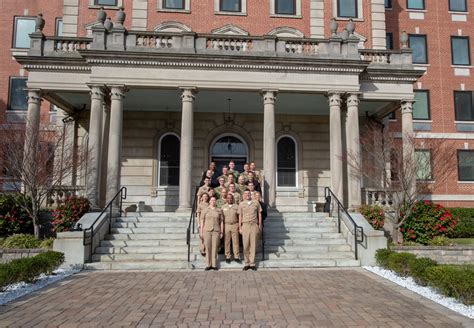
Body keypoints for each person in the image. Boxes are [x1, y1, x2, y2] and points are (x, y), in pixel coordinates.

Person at [238, 190, 262, 271]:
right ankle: (246, 263)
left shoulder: (256, 203)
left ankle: (252, 263)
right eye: (246, 194)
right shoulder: (241, 204)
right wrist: (240, 227)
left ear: (251, 195)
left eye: (249, 194)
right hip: (245, 225)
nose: (247, 195)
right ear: (244, 195)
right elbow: (240, 216)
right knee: (245, 245)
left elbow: (259, 213)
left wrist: (259, 224)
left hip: (254, 225)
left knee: (253, 245)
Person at [200, 196, 224, 271]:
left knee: (215, 247)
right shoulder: (205, 210)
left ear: (215, 202)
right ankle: (208, 264)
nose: (213, 201)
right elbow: (202, 221)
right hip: (207, 230)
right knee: (208, 247)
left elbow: (221, 222)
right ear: (209, 201)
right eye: (212, 200)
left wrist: (221, 231)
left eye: (214, 200)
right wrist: (201, 231)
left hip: (216, 230)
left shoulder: (219, 210)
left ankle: (214, 265)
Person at [222, 194, 241, 264]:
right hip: (226, 225)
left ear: (232, 199)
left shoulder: (236, 206)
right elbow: (221, 218)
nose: (229, 199)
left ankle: (236, 256)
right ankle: (227, 256)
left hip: (235, 225)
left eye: (231, 198)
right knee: (227, 241)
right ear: (226, 199)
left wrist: (239, 226)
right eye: (228, 198)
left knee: (235, 241)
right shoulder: (223, 207)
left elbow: (239, 217)